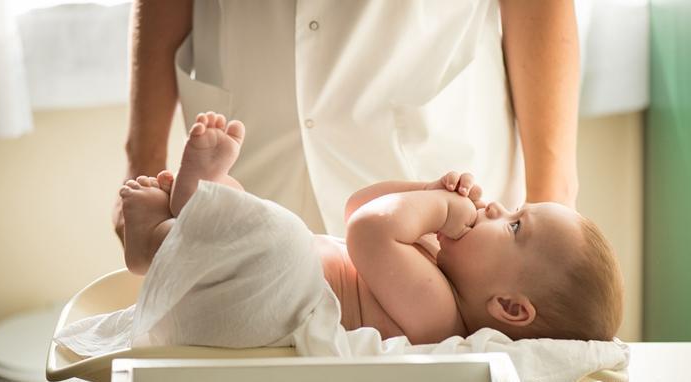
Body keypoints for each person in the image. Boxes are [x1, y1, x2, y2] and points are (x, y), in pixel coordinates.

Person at [120, 111, 623, 344]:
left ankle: (155, 242)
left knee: (282, 239)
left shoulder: (439, 316)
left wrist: (436, 208)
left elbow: (365, 231)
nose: (495, 210)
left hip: (261, 307)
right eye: (512, 207)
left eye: (514, 227)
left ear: (510, 308)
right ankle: (198, 206)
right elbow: (359, 205)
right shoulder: (431, 262)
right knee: (261, 223)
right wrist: (427, 187)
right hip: (250, 287)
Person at [114, 1, 581, 250]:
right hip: (251, 159)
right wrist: (142, 160)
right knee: (189, 256)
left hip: (438, 176)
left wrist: (552, 201)